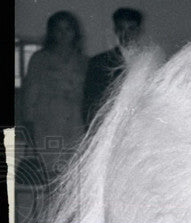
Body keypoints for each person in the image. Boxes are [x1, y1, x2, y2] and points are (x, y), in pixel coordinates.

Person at [20, 11, 88, 180]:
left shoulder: (84, 61)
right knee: (50, 174)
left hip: (75, 123)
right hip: (48, 122)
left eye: (68, 29)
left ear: (75, 32)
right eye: (58, 29)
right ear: (51, 32)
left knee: (73, 174)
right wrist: (28, 125)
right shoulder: (39, 59)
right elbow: (29, 94)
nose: (63, 34)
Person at [81, 7, 144, 129]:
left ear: (139, 30)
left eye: (131, 28)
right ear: (115, 30)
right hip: (109, 127)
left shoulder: (150, 60)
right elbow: (91, 104)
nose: (126, 34)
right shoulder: (99, 62)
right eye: (121, 29)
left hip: (140, 127)